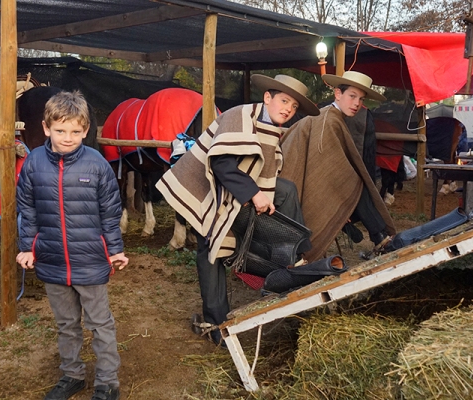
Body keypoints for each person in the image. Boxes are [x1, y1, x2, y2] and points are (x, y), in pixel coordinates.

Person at [155, 74, 320, 345]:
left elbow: (260, 170)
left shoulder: (272, 129)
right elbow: (220, 164)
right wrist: (253, 193)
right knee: (211, 248)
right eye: (283, 101)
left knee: (286, 189)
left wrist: (256, 193)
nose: (288, 109)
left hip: (232, 185)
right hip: (204, 185)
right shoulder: (239, 116)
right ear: (268, 97)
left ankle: (294, 252)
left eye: (293, 106)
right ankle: (216, 322)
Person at [16, 91, 128, 400]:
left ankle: (107, 382)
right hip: (51, 258)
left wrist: (115, 249)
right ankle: (72, 374)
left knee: (100, 323)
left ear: (86, 130)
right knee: (66, 324)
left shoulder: (97, 165)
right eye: (61, 130)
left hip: (90, 259)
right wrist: (29, 246)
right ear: (46, 127)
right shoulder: (33, 162)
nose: (68, 138)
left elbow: (110, 211)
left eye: (76, 132)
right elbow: (27, 208)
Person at [280, 71, 397, 261]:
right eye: (352, 96)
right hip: (290, 179)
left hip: (303, 177)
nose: (357, 103)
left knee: (352, 183)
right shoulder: (329, 119)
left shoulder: (333, 116)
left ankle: (376, 236)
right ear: (338, 94)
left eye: (361, 98)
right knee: (354, 184)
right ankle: (379, 237)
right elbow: (326, 164)